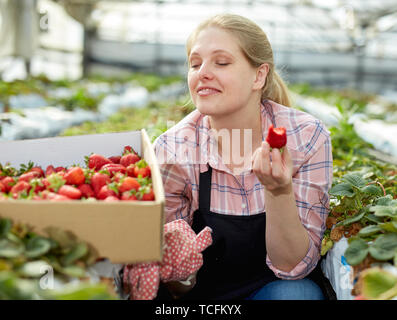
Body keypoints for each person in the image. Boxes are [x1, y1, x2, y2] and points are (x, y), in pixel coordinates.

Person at [153, 13, 333, 300]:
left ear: (259, 75)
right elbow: (175, 285)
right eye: (195, 64)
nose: (203, 73)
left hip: (272, 287)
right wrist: (178, 270)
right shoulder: (175, 148)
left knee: (297, 294)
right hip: (200, 295)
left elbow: (293, 267)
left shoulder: (305, 137)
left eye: (221, 62)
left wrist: (278, 190)